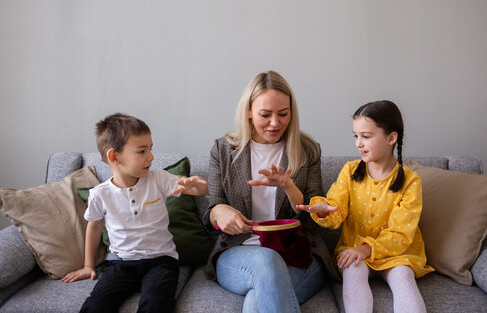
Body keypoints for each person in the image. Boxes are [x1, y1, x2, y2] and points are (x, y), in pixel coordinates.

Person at [203, 71, 339, 313]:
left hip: (298, 254)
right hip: (238, 252)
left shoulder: (307, 150)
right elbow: (212, 209)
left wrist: (289, 186)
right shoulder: (222, 150)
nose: (275, 123)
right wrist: (220, 212)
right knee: (267, 260)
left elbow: (312, 221)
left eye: (283, 114)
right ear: (248, 111)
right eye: (265, 115)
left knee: (258, 302)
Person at [62, 113, 208, 313]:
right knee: (96, 305)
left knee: (156, 302)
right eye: (142, 151)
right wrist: (88, 266)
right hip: (121, 263)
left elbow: (192, 189)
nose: (151, 156)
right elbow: (94, 227)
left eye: (150, 149)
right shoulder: (100, 194)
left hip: (161, 261)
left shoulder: (159, 179)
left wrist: (199, 186)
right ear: (114, 156)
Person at [297, 100, 434, 313]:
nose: (358, 144)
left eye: (366, 137)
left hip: (396, 254)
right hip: (354, 251)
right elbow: (336, 208)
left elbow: (401, 233)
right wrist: (324, 209)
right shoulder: (350, 171)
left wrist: (367, 248)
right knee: (352, 269)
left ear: (391, 138)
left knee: (403, 276)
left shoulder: (410, 180)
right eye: (356, 136)